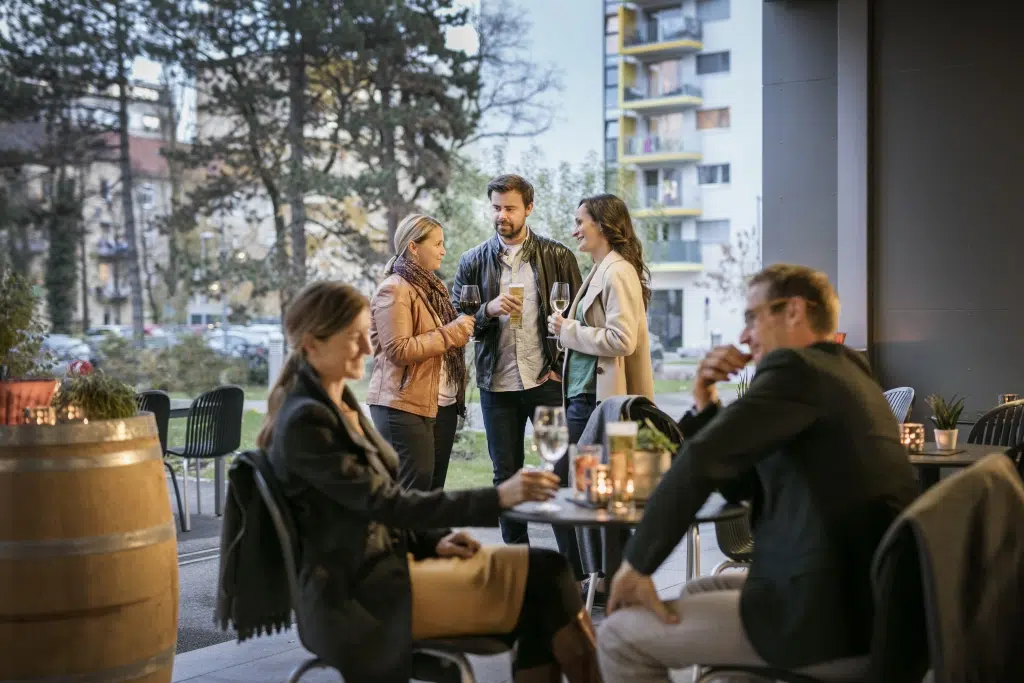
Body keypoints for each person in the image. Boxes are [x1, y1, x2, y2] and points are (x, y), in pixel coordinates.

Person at [258, 281, 603, 683]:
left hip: (381, 574)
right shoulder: (306, 422)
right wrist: (499, 498)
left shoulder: (333, 406)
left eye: (367, 335)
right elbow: (388, 503)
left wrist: (431, 541)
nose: (369, 349)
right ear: (312, 345)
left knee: (548, 578)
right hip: (362, 599)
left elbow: (378, 505)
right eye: (354, 339)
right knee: (545, 579)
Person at [598, 264, 919, 682]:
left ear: (795, 312)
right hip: (871, 608)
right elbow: (738, 482)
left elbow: (700, 459)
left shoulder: (797, 370)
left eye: (752, 317)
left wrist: (634, 566)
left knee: (619, 635)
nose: (745, 336)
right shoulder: (847, 373)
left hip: (828, 622)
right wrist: (705, 402)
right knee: (696, 591)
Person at [452, 173, 583, 545]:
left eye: (509, 208)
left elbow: (578, 316)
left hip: (547, 385)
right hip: (498, 387)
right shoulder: (472, 261)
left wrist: (560, 371)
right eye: (496, 208)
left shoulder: (558, 256)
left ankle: (572, 568)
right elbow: (457, 323)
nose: (501, 216)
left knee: (558, 474)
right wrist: (487, 310)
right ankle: (518, 562)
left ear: (529, 208)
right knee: (505, 475)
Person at [546, 193, 655, 594]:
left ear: (604, 226)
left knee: (563, 488)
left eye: (581, 221)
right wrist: (565, 335)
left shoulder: (617, 272)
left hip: (598, 403)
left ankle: (581, 581)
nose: (575, 229)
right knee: (596, 493)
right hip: (585, 399)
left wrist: (567, 330)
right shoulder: (601, 269)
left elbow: (621, 340)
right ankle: (598, 580)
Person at [368, 214, 473, 491]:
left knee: (431, 495)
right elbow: (398, 349)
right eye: (437, 243)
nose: (443, 250)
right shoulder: (394, 290)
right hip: (402, 405)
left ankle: (428, 538)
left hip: (439, 404)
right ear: (413, 247)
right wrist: (452, 333)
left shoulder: (430, 288)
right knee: (414, 492)